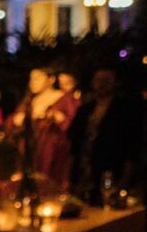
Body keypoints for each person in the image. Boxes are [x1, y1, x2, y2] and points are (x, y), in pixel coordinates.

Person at [72, 64, 144, 194]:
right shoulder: (85, 109)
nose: (101, 85)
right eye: (98, 80)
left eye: (107, 81)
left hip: (110, 167)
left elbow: (133, 143)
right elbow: (74, 138)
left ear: (115, 83)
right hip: (84, 168)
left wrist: (126, 176)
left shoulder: (125, 110)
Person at [33, 70, 79, 187]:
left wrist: (60, 118)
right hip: (41, 145)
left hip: (58, 147)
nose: (32, 82)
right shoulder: (33, 100)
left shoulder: (67, 99)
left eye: (67, 83)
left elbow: (73, 122)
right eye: (61, 83)